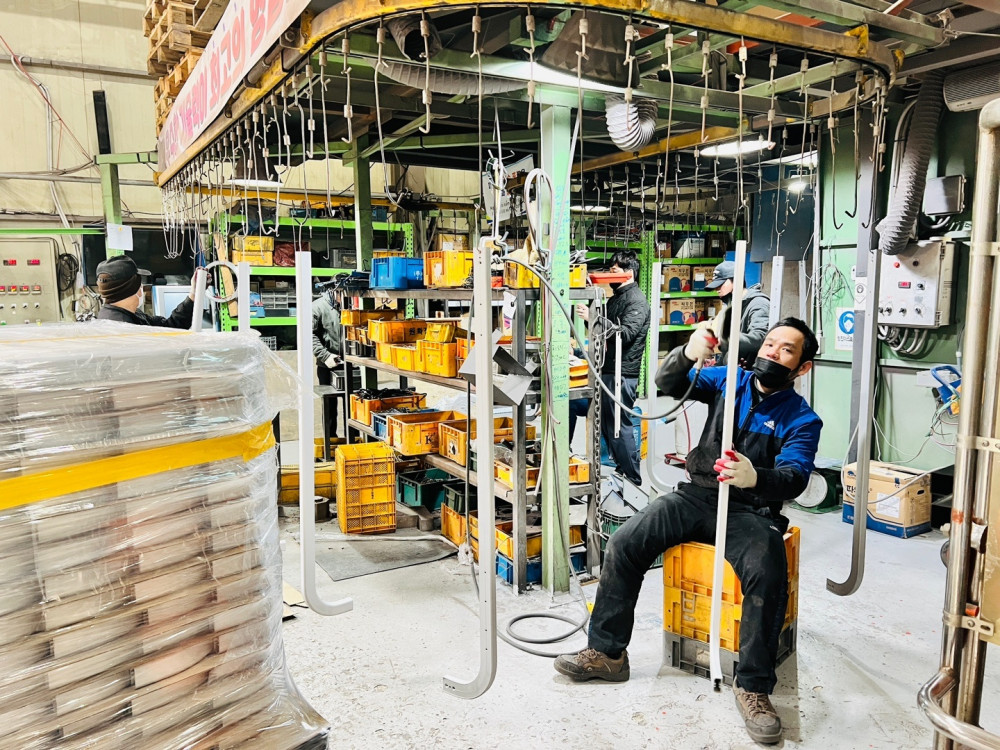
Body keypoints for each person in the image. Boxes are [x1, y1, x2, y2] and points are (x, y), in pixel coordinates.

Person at [554, 317, 822, 747]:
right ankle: (607, 654)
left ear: (802, 367)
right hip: (697, 495)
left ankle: (753, 687)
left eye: (786, 349)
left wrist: (756, 477)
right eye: (770, 344)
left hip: (750, 510)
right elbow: (668, 383)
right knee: (625, 543)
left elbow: (795, 476)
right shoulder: (729, 379)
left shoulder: (802, 419)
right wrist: (687, 354)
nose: (772, 352)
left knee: (768, 571)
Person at [577, 250, 650, 486]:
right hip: (608, 369)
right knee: (608, 427)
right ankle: (621, 470)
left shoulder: (637, 301)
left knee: (619, 426)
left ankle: (633, 478)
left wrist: (593, 318)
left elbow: (625, 334)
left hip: (622, 373)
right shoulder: (617, 297)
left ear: (629, 273)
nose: (610, 274)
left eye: (614, 270)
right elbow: (604, 329)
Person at [95, 255, 195, 327]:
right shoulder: (122, 326)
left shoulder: (128, 313)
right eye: (139, 283)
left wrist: (193, 295)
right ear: (131, 289)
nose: (142, 286)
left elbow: (168, 327)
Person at [705, 260, 771, 365]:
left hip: (751, 372)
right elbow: (728, 351)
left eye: (720, 285)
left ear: (736, 281)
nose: (717, 290)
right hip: (734, 370)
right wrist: (716, 367)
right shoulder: (733, 306)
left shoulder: (758, 303)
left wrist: (725, 339)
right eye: (715, 287)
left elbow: (760, 339)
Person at [312, 285, 345, 440]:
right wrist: (325, 356)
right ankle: (331, 441)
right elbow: (309, 335)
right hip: (327, 365)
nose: (346, 297)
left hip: (350, 363)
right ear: (333, 291)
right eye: (342, 293)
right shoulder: (317, 307)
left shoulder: (351, 305)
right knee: (329, 407)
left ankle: (353, 440)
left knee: (353, 405)